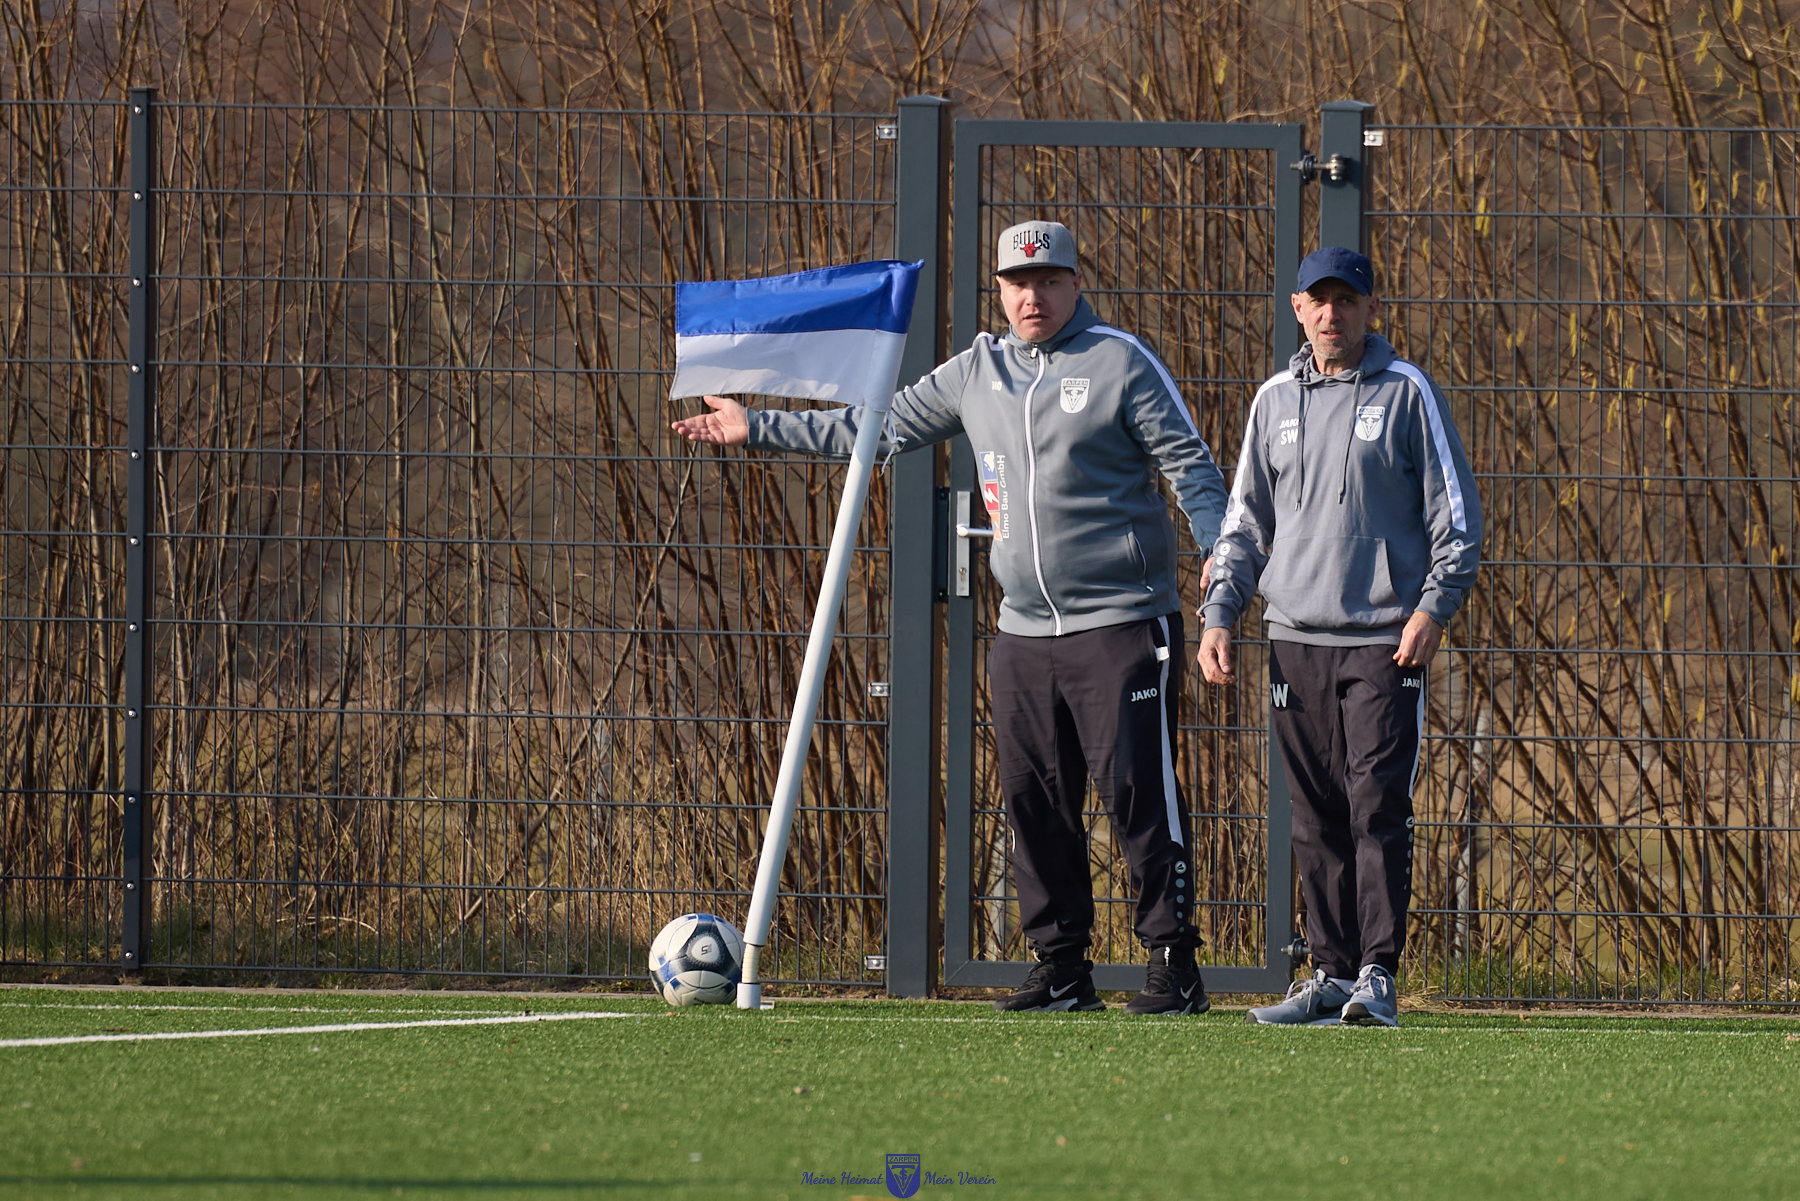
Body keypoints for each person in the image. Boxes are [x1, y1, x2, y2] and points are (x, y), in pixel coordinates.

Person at [673, 220, 1229, 1014]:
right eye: (1017, 283)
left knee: (1139, 795)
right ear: (997, 290)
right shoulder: (976, 370)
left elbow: (1191, 466)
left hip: (1124, 623)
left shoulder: (1120, 361)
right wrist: (756, 425)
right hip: (1022, 633)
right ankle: (1062, 965)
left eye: (1048, 281)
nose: (1032, 297)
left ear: (1075, 284)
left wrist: (1221, 564)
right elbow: (876, 428)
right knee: (1034, 802)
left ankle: (1173, 964)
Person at [1198, 246, 1482, 1027]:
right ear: (1297, 309)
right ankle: (1328, 973)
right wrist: (1219, 613)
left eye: (1347, 301)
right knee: (1314, 814)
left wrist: (1432, 609)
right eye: (1318, 302)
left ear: (1369, 308)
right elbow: (1244, 524)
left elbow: (1456, 519)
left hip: (1385, 639)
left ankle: (1377, 974)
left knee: (1375, 804)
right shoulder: (1271, 401)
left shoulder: (1407, 392)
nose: (1332, 315)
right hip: (1293, 639)